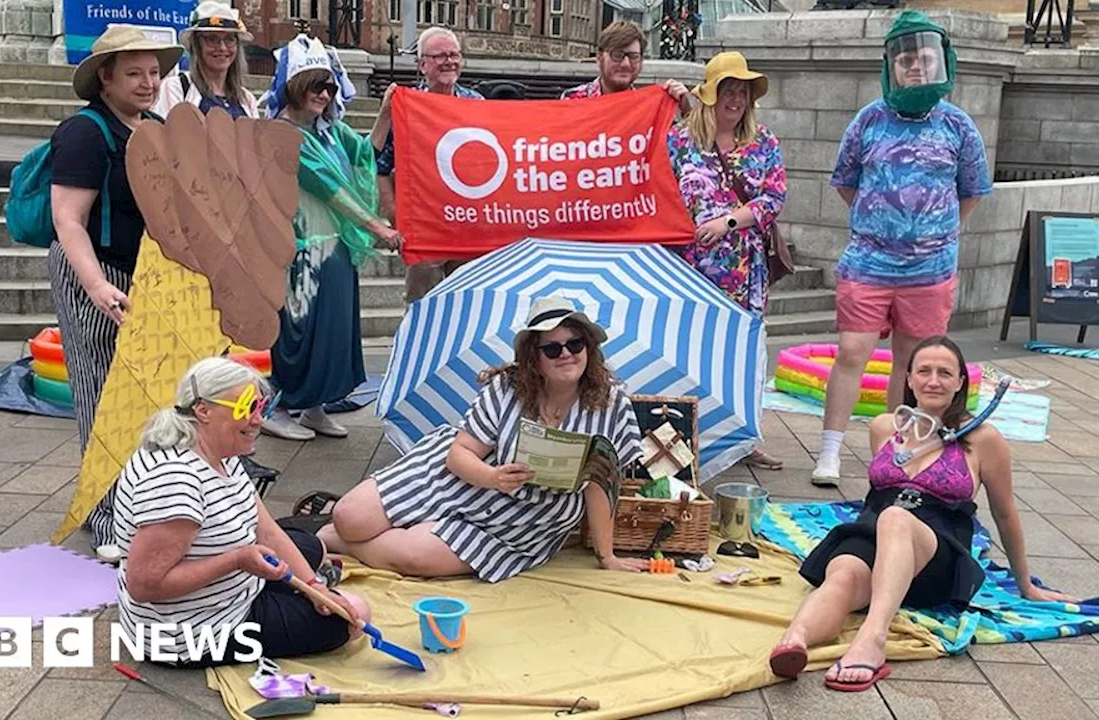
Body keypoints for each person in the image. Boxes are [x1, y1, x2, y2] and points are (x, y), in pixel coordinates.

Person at [769, 336, 1078, 692]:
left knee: (896, 518)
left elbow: (1005, 514)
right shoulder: (885, 427)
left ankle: (873, 638)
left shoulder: (984, 439)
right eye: (924, 371)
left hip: (938, 549)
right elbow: (881, 494)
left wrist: (1026, 584)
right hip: (876, 533)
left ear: (961, 381)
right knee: (843, 575)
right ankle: (794, 641)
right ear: (909, 379)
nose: (934, 380)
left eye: (945, 373)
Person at [316, 295, 649, 582]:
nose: (566, 354)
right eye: (552, 348)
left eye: (575, 344)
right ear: (534, 357)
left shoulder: (611, 401)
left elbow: (601, 485)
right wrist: (492, 477)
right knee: (350, 516)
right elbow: (459, 453)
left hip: (530, 514)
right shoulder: (508, 387)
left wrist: (608, 556)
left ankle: (337, 541)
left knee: (413, 557)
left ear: (589, 348)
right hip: (471, 476)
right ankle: (362, 532)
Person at [812, 10, 991, 486]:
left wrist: (936, 229)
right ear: (890, 65)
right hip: (868, 263)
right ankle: (829, 450)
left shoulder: (958, 126)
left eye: (925, 57)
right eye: (906, 58)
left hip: (930, 270)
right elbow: (845, 181)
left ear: (942, 63)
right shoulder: (868, 120)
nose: (915, 67)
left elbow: (971, 190)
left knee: (910, 364)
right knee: (852, 351)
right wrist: (882, 221)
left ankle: (898, 448)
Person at [114, 356, 371, 668]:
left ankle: (302, 586)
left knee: (311, 546)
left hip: (232, 587)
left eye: (262, 406)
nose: (258, 420)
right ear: (203, 410)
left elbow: (266, 530)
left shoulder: (216, 447)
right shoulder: (176, 482)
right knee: (353, 615)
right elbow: (143, 586)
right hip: (191, 633)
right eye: (246, 408)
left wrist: (315, 588)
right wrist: (236, 560)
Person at [49, 26, 184, 549]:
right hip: (96, 272)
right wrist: (98, 287)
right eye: (135, 73)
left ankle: (145, 504)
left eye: (154, 72)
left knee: (148, 396)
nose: (148, 82)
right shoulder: (85, 132)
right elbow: (68, 220)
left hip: (145, 275)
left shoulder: (154, 127)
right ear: (105, 78)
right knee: (103, 394)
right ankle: (105, 516)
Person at [256, 35, 402, 442]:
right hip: (300, 248)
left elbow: (363, 155)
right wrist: (377, 227)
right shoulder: (280, 134)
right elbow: (326, 187)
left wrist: (387, 113)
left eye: (330, 86)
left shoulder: (329, 132)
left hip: (334, 247)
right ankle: (278, 405)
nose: (324, 94)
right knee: (298, 331)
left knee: (333, 331)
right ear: (294, 86)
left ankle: (315, 407)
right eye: (316, 85)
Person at [667, 51, 786, 472]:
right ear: (709, 95)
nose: (736, 99)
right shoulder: (679, 140)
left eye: (743, 92)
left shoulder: (763, 142)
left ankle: (745, 438)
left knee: (747, 354)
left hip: (744, 269)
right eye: (728, 90)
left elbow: (773, 198)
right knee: (691, 351)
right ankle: (681, 438)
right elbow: (658, 190)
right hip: (689, 267)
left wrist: (728, 222)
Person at [370, 26, 485, 303]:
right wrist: (395, 215)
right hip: (425, 228)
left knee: (470, 307)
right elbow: (379, 165)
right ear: (422, 64)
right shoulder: (406, 107)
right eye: (440, 56)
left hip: (468, 227)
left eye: (454, 54)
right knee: (423, 308)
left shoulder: (477, 104)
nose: (449, 61)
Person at [153, 0, 260, 119]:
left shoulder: (247, 99)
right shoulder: (177, 88)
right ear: (196, 45)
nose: (222, 47)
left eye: (229, 39)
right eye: (212, 39)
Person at [560, 20, 692, 113]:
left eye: (633, 56)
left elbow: (683, 146)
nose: (625, 64)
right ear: (599, 58)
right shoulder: (572, 100)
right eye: (617, 55)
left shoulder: (648, 109)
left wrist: (687, 107)